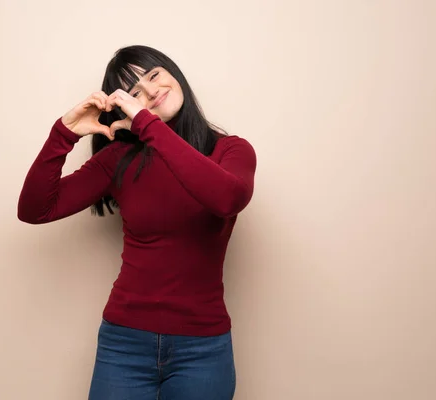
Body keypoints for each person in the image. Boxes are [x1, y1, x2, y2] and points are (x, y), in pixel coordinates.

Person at [17, 45, 257, 400]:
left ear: (174, 73)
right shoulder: (119, 159)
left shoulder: (231, 151)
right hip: (124, 345)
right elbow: (35, 209)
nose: (150, 92)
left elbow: (227, 199)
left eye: (154, 76)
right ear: (125, 109)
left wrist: (148, 125)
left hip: (202, 348)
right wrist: (63, 133)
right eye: (134, 94)